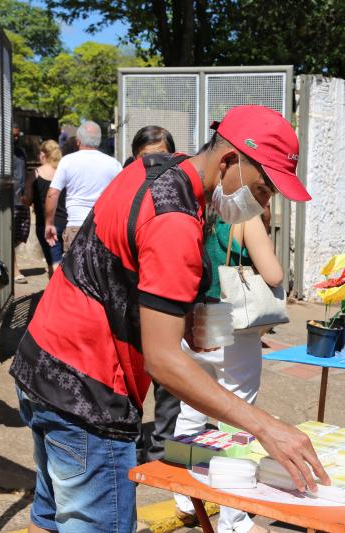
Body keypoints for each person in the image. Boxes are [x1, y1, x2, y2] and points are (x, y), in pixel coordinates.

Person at [10, 105, 325, 533]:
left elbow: (123, 259)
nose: (262, 204)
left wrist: (186, 311)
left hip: (41, 364)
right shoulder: (174, 218)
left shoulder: (158, 168)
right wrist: (267, 428)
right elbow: (163, 362)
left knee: (48, 520)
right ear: (230, 161)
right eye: (263, 189)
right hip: (89, 392)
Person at [174, 214, 283, 533]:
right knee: (237, 419)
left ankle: (183, 496)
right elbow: (274, 275)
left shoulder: (196, 207)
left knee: (191, 408)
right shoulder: (244, 216)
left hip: (196, 316)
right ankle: (233, 520)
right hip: (230, 319)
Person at [124, 126, 183, 464]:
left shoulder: (178, 189)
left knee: (166, 376)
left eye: (162, 156)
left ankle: (161, 448)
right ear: (136, 157)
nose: (155, 164)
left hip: (163, 293)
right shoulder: (123, 187)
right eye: (148, 157)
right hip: (128, 297)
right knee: (131, 375)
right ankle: (130, 444)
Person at [45, 121, 121, 249]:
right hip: (104, 228)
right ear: (99, 141)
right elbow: (123, 197)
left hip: (76, 227)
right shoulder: (114, 164)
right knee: (101, 269)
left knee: (75, 269)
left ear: (78, 141)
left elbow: (52, 194)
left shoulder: (67, 161)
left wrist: (49, 223)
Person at [23, 140, 66, 277]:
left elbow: (28, 200)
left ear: (43, 154)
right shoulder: (63, 171)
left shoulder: (35, 174)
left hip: (45, 224)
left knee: (52, 261)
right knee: (62, 261)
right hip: (66, 221)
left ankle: (55, 294)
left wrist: (22, 199)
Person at [13, 127, 30, 284]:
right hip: (10, 201)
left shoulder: (21, 152)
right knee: (11, 237)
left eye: (18, 135)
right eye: (14, 135)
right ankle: (15, 269)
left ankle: (12, 263)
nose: (16, 138)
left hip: (22, 201)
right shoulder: (4, 154)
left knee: (22, 235)